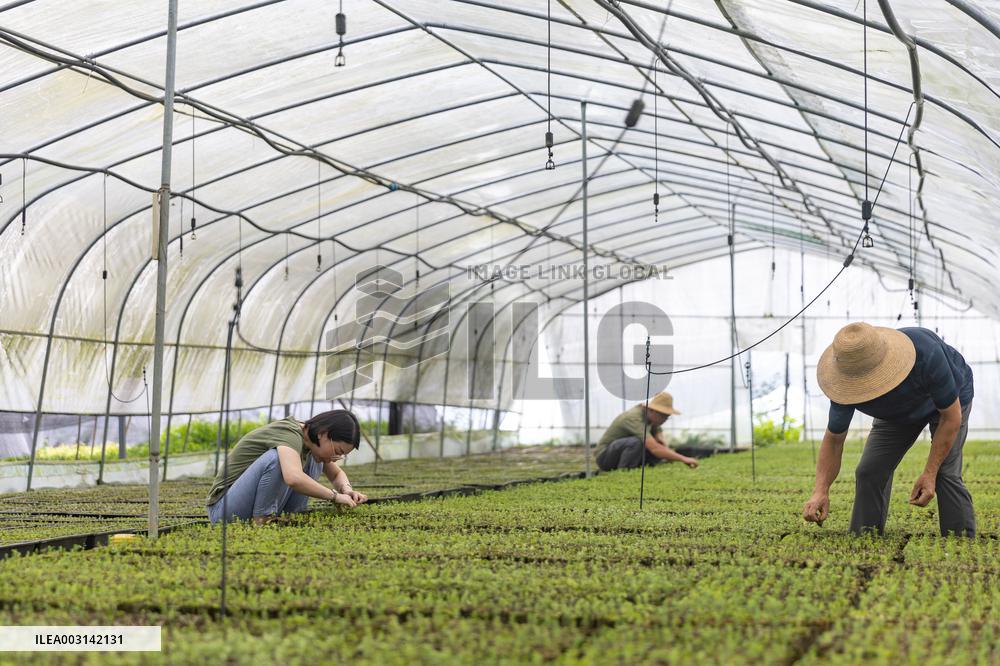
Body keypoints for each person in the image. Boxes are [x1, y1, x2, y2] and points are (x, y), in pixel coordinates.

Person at [803, 322, 975, 536]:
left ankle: (959, 542)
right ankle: (865, 538)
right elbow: (834, 439)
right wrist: (821, 489)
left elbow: (951, 417)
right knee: (869, 471)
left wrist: (929, 472)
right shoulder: (843, 384)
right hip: (895, 414)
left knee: (945, 474)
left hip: (949, 403)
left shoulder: (926, 353)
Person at [206, 409, 368, 524]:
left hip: (243, 505)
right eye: (337, 451)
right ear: (323, 433)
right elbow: (293, 478)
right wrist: (335, 496)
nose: (336, 458)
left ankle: (290, 515)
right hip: (223, 510)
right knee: (276, 458)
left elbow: (336, 475)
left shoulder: (310, 442)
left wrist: (347, 490)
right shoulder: (290, 435)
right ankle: (263, 518)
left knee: (315, 459)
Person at [595, 391, 699, 471]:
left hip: (619, 454)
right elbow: (655, 449)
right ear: (652, 411)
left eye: (667, 417)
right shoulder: (633, 418)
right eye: (663, 416)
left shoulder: (652, 420)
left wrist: (665, 448)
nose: (665, 420)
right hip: (604, 457)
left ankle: (642, 468)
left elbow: (660, 441)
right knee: (636, 443)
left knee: (654, 445)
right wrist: (684, 459)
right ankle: (625, 471)